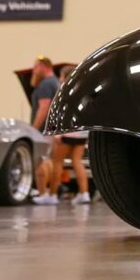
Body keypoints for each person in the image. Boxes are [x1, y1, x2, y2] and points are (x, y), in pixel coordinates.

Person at [50, 66, 90, 204]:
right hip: (81, 133)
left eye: (61, 76)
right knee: (77, 162)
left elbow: (61, 114)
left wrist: (57, 132)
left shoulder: (64, 92)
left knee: (57, 162)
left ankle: (52, 195)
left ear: (65, 77)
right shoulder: (83, 91)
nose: (59, 79)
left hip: (66, 133)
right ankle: (84, 193)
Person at [28, 55, 61, 205]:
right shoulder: (55, 82)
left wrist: (33, 129)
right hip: (52, 129)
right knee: (50, 161)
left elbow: (44, 108)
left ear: (44, 66)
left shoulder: (46, 85)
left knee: (41, 160)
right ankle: (48, 193)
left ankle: (43, 193)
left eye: (36, 67)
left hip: (43, 130)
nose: (33, 70)